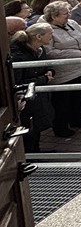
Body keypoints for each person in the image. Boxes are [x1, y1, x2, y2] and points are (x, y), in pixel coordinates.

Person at [41, 1, 81, 137]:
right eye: (65, 13)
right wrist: (77, 53)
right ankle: (61, 127)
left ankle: (77, 119)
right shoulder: (47, 30)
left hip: (79, 68)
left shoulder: (72, 23)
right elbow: (50, 52)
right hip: (62, 73)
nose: (69, 15)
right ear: (54, 17)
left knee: (78, 96)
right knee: (62, 102)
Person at [10, 23, 55, 152]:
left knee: (37, 126)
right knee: (29, 129)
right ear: (39, 36)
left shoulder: (40, 49)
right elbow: (18, 81)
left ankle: (36, 151)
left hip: (39, 97)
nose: (52, 37)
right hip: (27, 99)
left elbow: (45, 64)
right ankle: (31, 155)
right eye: (50, 34)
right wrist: (44, 79)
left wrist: (50, 70)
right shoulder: (18, 56)